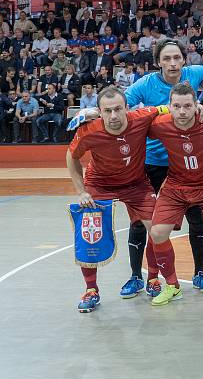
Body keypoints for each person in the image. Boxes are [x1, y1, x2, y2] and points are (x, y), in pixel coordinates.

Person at [66, 86, 164, 312]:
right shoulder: (90, 130)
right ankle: (91, 290)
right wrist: (82, 191)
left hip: (136, 183)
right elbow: (71, 157)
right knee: (88, 231)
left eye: (118, 109)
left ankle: (153, 279)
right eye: (107, 111)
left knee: (156, 228)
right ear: (99, 112)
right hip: (99, 184)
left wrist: (198, 107)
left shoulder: (142, 117)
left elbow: (167, 108)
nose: (113, 116)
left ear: (127, 108)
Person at [145, 84, 203, 307]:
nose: (182, 111)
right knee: (157, 232)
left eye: (188, 106)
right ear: (169, 107)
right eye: (176, 106)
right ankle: (172, 285)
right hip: (177, 185)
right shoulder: (160, 124)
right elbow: (129, 122)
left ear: (196, 105)